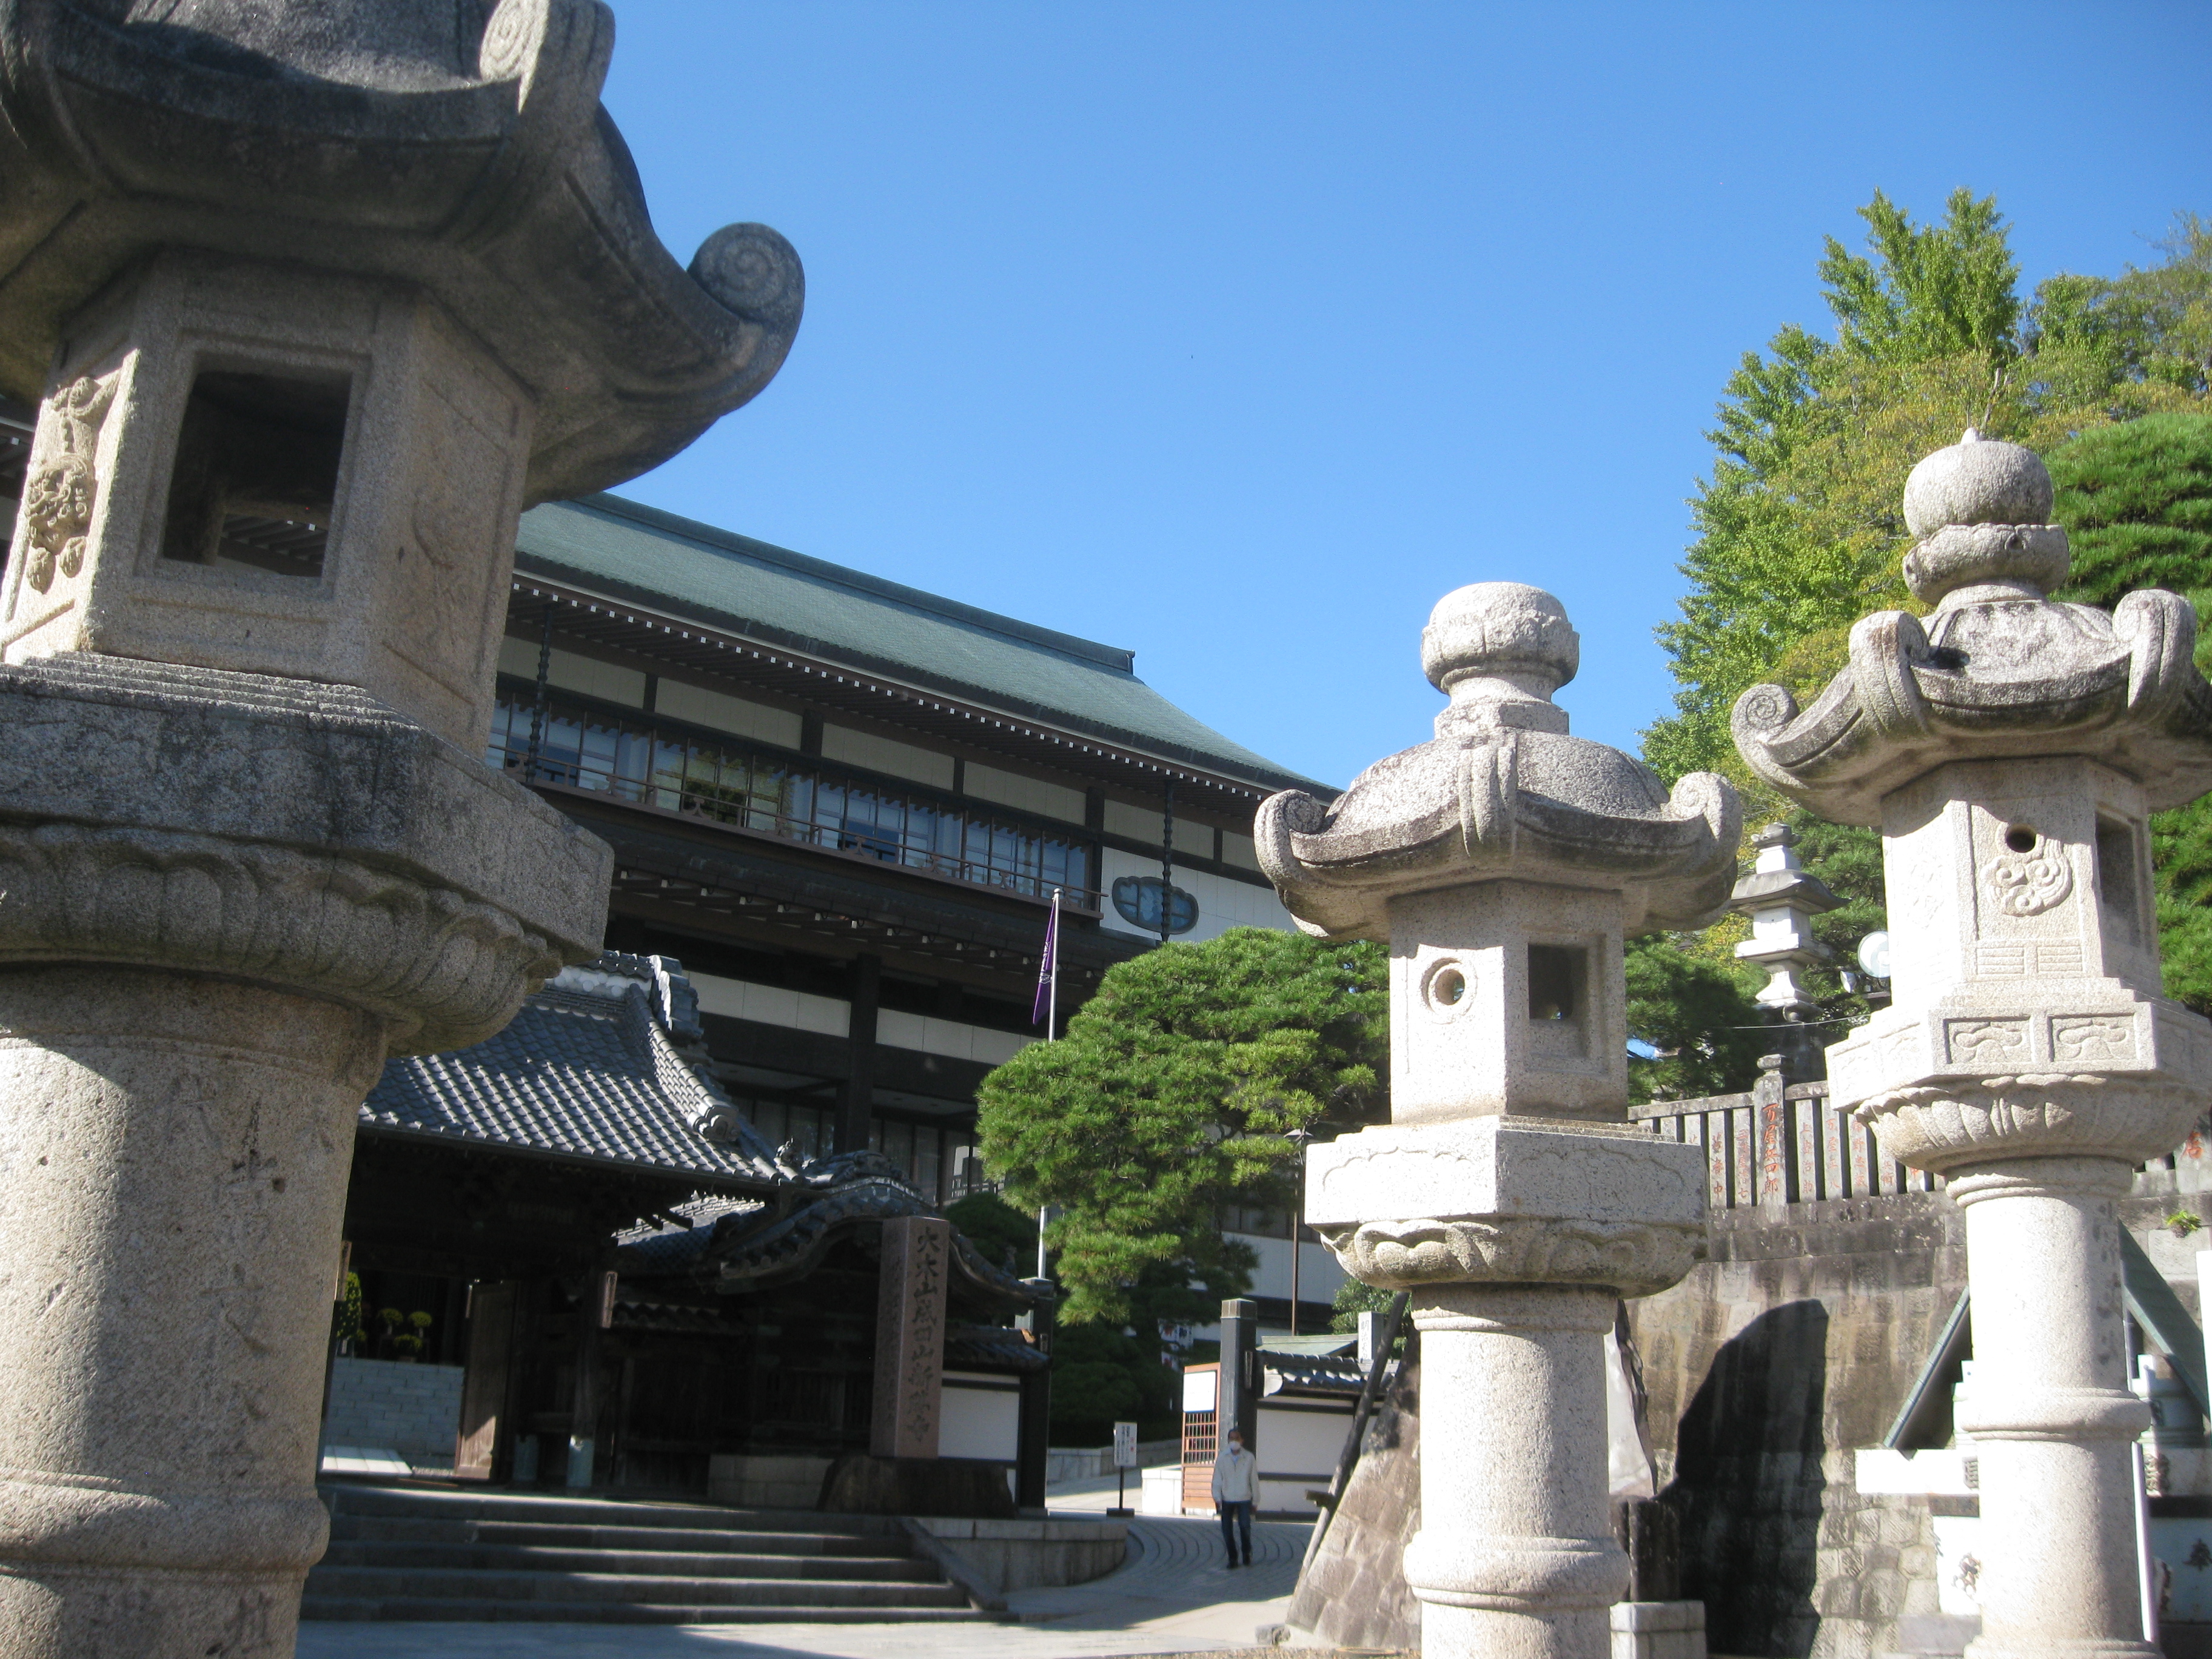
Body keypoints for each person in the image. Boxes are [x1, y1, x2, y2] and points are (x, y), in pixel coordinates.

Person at [1211, 1426, 1256, 1567]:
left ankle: (1247, 1553)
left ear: (1242, 1440)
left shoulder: (1249, 1458)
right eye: (1231, 1438)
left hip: (1244, 1498)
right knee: (1227, 1530)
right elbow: (1217, 1479)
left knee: (1245, 1527)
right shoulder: (1222, 1458)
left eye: (1237, 1438)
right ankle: (1233, 1558)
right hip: (1227, 1498)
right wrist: (1217, 1497)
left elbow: (1254, 1480)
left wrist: (1256, 1500)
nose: (1234, 1441)